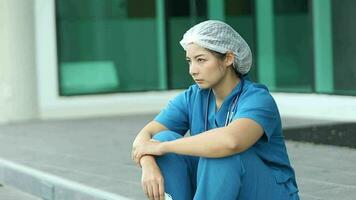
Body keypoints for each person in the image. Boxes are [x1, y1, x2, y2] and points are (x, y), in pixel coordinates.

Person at [132, 20, 299, 200]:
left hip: (268, 193)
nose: (192, 70)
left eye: (201, 60)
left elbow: (231, 142)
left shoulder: (257, 99)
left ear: (228, 58)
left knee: (220, 152)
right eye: (189, 61)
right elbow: (145, 136)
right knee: (164, 136)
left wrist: (162, 147)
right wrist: (148, 161)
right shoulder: (193, 97)